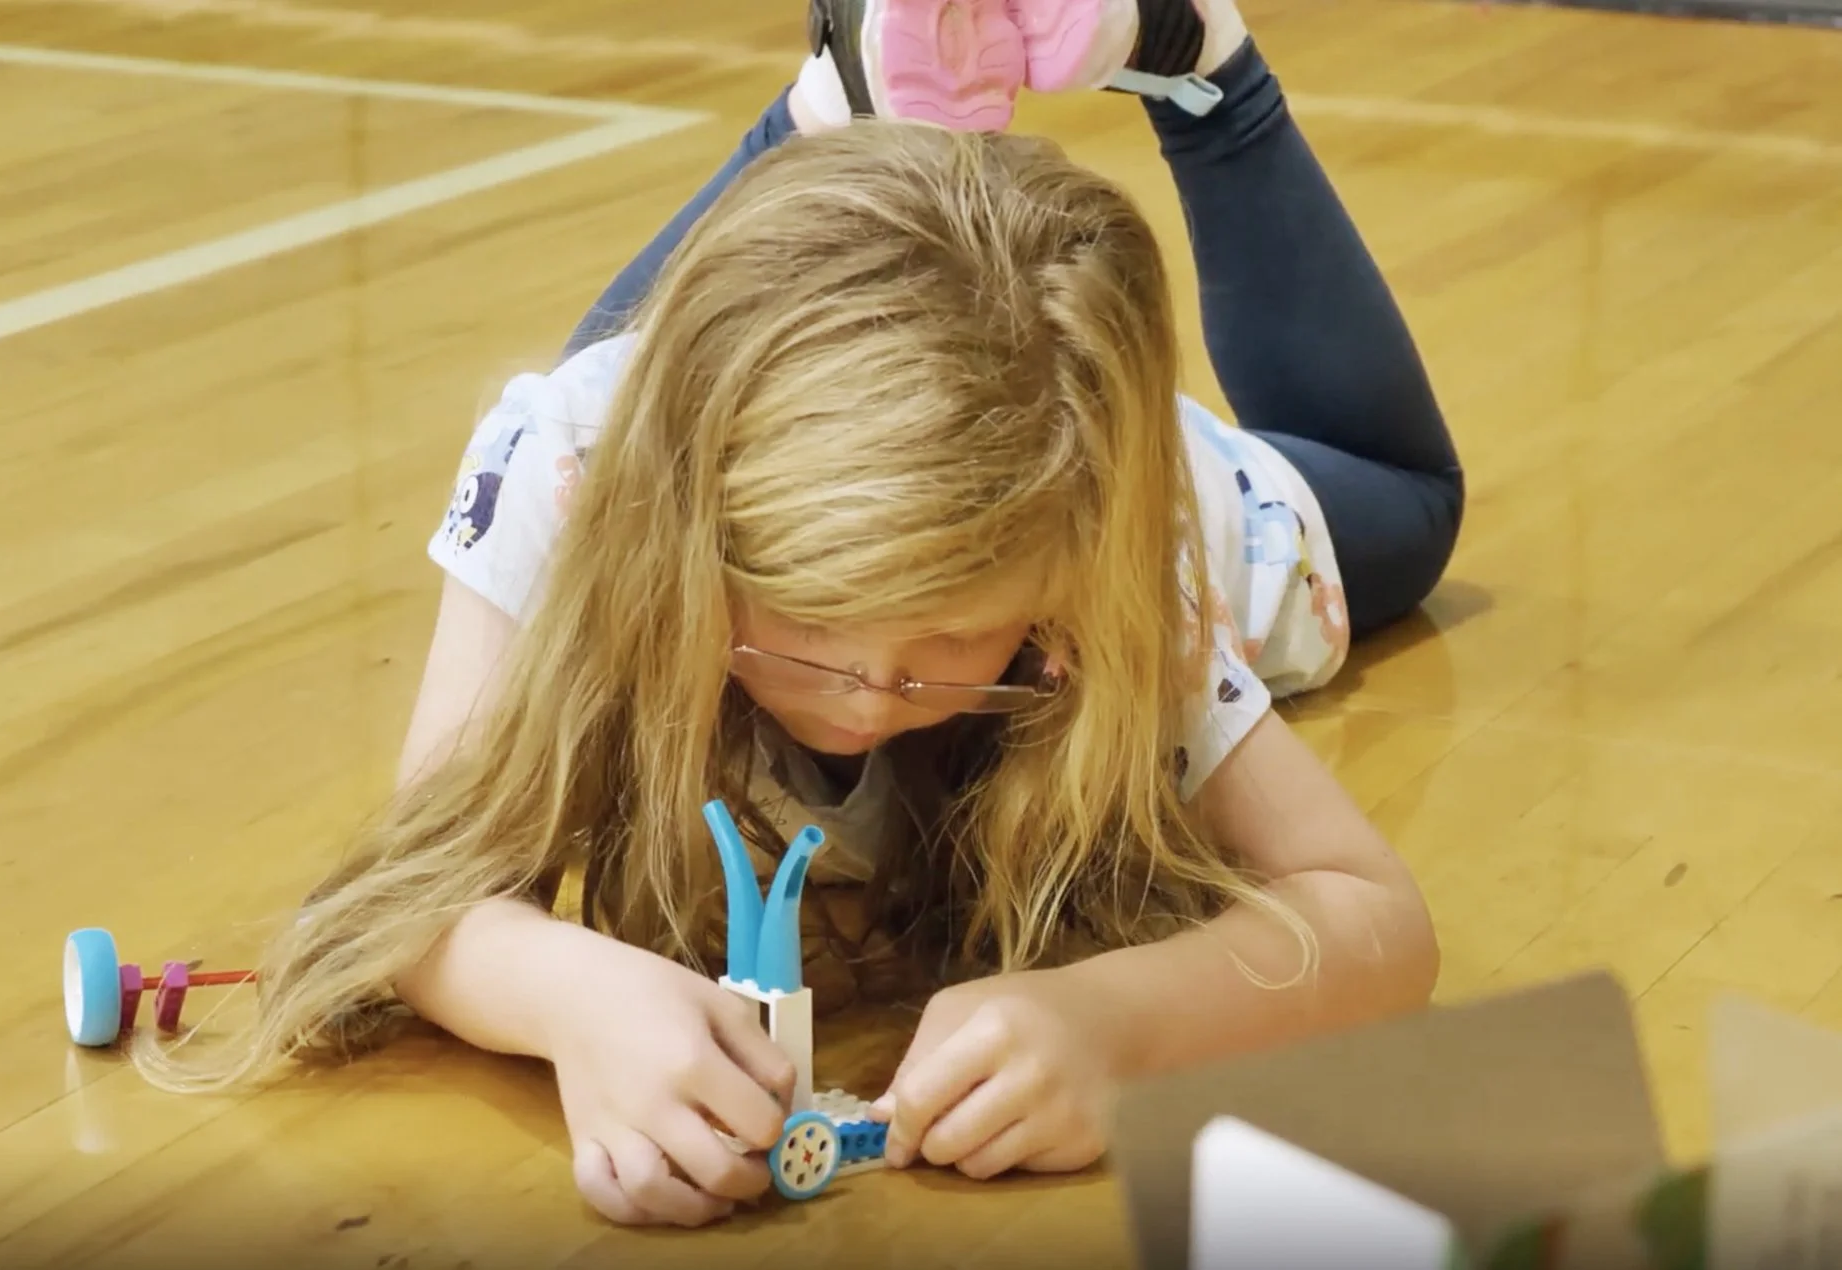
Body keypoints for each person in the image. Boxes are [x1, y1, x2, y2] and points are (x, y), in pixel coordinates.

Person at [151, 0, 1463, 1229]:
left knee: (1413, 497)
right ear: (694, 538)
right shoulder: (571, 468)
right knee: (600, 405)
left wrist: (1122, 1022)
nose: (861, 697)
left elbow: (1376, 918)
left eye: (951, 647)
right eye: (800, 629)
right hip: (705, 424)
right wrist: (567, 995)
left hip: (1212, 491)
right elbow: (417, 887)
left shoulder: (1120, 543)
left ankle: (1200, 63)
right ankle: (842, 112)